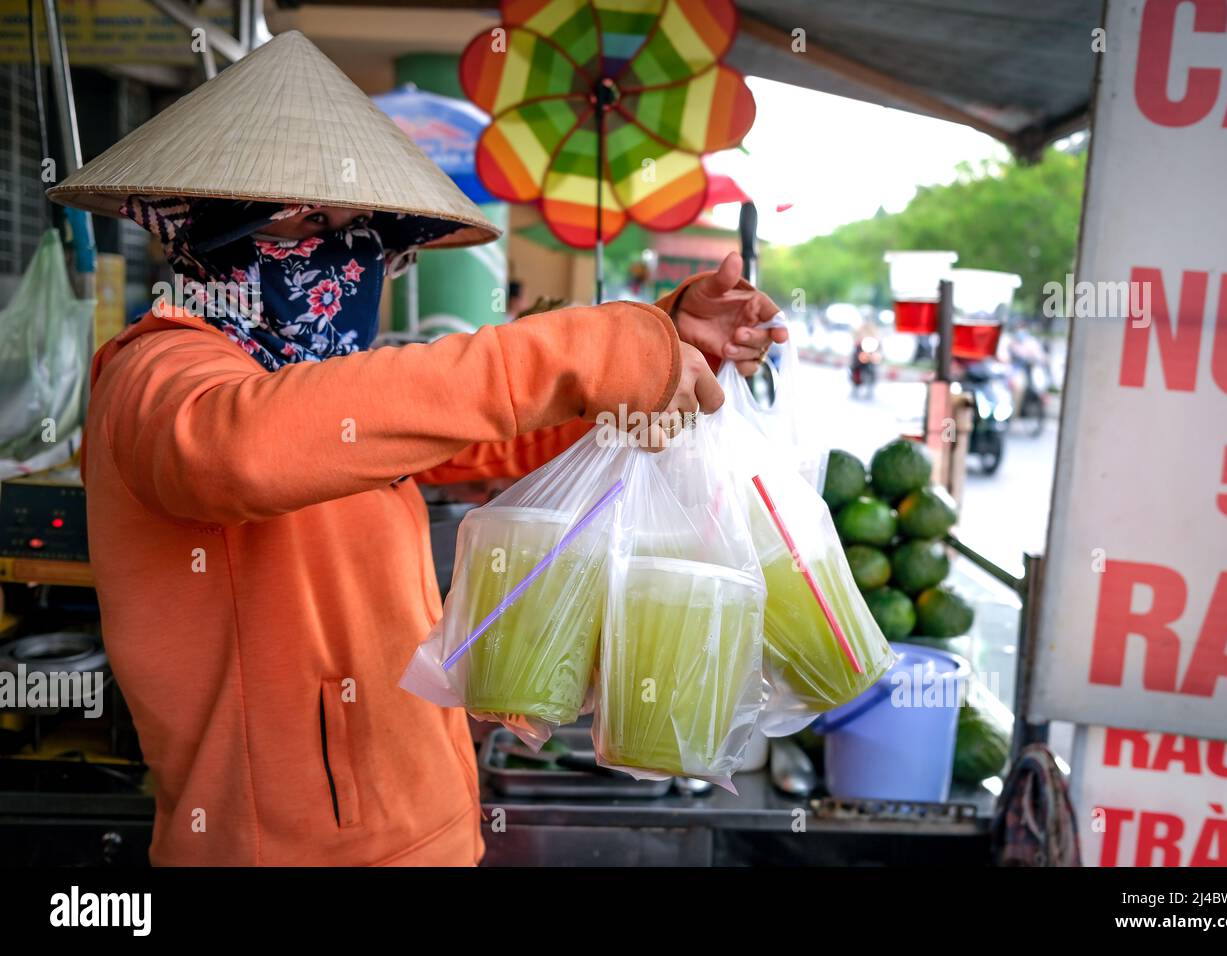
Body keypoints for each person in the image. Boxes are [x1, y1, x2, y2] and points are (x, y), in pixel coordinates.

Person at [49, 31, 785, 866]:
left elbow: (487, 433)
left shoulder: (328, 386)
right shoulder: (160, 375)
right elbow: (239, 452)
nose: (346, 251)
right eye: (311, 221)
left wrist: (654, 343)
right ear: (207, 230)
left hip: (429, 829)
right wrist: (578, 348)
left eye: (360, 226)